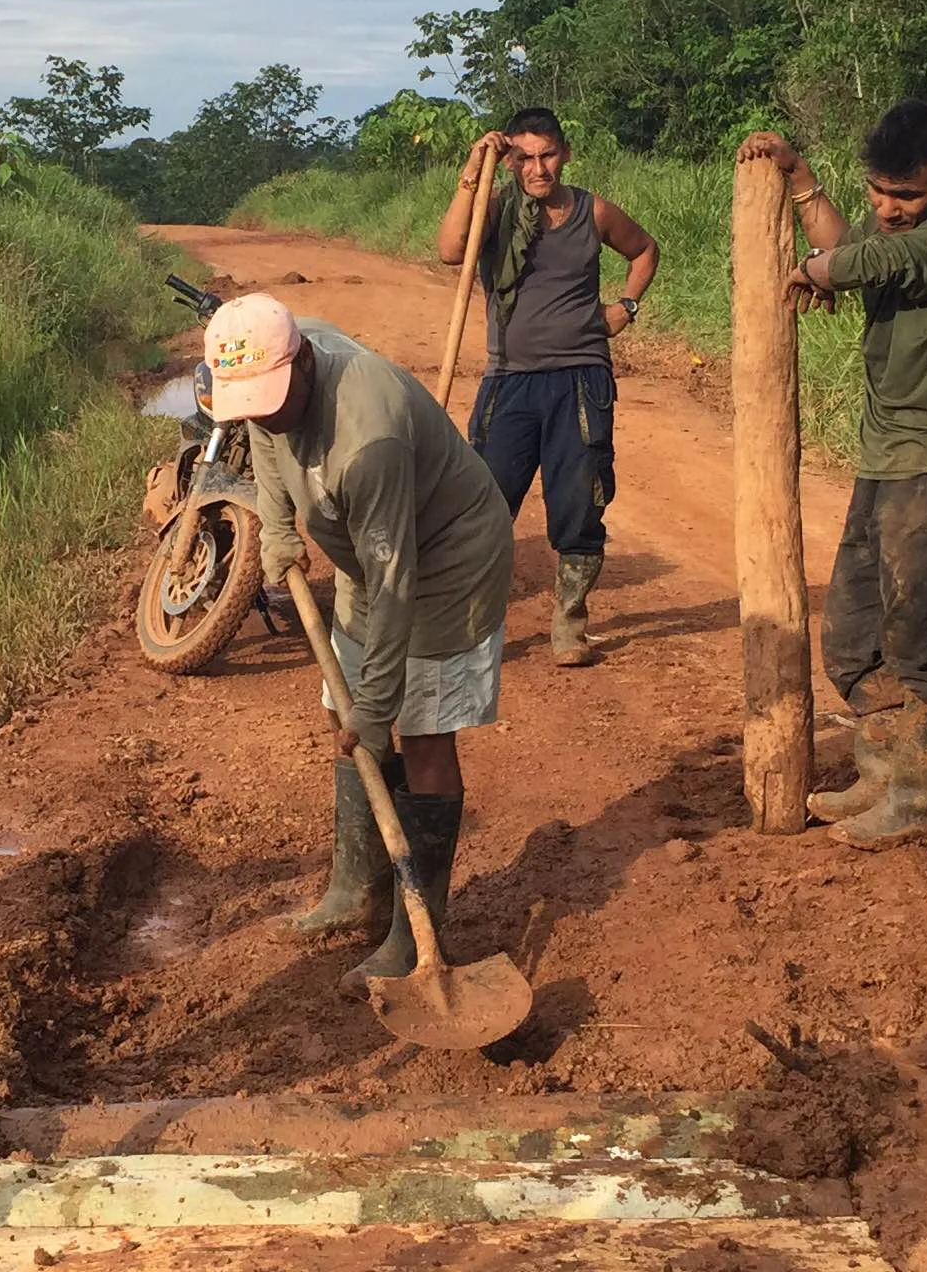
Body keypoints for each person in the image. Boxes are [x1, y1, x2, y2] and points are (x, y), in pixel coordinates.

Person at [203, 293, 515, 981]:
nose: (262, 410)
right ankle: (357, 892)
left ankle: (416, 933)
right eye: (247, 400)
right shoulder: (266, 365)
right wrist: (280, 525)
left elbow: (395, 579)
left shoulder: (366, 436)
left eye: (274, 397)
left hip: (443, 560)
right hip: (368, 550)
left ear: (305, 364)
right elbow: (259, 427)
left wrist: (378, 708)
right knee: (340, 711)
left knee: (419, 730)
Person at [739, 101, 927, 848]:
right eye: (879, 191)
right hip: (884, 466)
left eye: (906, 195)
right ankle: (882, 778)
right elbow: (850, 246)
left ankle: (915, 806)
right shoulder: (907, 231)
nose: (888, 208)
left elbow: (866, 260)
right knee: (854, 640)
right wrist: (797, 176)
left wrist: (819, 270)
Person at [439, 109, 657, 667]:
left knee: (578, 503)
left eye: (548, 155)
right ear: (510, 161)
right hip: (508, 380)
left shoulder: (592, 211)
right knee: (483, 504)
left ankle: (569, 623)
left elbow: (644, 251)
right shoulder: (495, 208)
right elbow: (450, 249)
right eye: (525, 158)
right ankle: (468, 626)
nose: (539, 169)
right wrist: (472, 169)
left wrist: (625, 308)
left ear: (565, 153)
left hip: (581, 378)